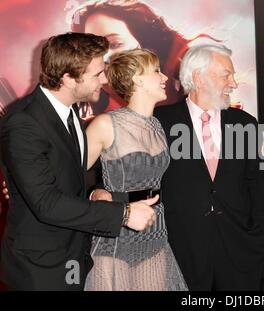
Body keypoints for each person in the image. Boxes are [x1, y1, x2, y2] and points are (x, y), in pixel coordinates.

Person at [93, 44, 264, 290]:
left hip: (239, 252)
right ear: (199, 77)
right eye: (226, 75)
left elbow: (259, 190)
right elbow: (120, 172)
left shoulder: (246, 124)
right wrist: (100, 191)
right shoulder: (159, 122)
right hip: (180, 251)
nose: (234, 83)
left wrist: (257, 240)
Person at [0, 33, 156, 290]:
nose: (105, 79)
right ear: (68, 79)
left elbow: (74, 173)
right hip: (41, 268)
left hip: (72, 254)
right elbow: (47, 203)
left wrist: (97, 192)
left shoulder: (69, 110)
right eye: (97, 74)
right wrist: (124, 215)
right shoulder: (23, 123)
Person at [83, 48, 187, 291]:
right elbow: (69, 173)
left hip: (154, 229)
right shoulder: (107, 124)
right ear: (137, 79)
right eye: (156, 71)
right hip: (116, 230)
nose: (164, 78)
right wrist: (95, 193)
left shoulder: (158, 125)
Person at [71, 0, 217, 118]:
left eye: (115, 44)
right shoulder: (100, 118)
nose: (105, 58)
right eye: (94, 50)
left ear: (145, 44)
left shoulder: (186, 70)